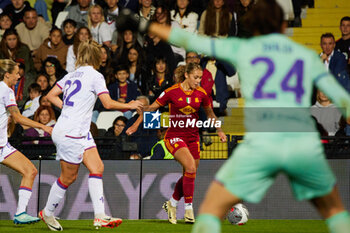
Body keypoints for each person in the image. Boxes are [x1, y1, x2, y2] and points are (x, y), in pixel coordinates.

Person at [116, 0, 350, 232]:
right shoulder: (304, 57)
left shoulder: (243, 50)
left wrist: (142, 24)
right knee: (333, 209)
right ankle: (185, 209)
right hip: (285, 138)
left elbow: (189, 41)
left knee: (206, 193)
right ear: (281, 27)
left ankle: (177, 205)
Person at [39, 39, 143, 231]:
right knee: (68, 178)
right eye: (101, 55)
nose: (104, 58)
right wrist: (130, 105)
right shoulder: (95, 76)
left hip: (74, 129)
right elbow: (108, 103)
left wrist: (68, 108)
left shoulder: (70, 75)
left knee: (97, 167)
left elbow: (50, 96)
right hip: (72, 133)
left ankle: (100, 216)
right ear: (96, 57)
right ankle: (47, 212)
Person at [126, 63, 227, 224]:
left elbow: (210, 113)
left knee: (190, 172)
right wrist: (136, 124)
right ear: (186, 75)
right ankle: (188, 209)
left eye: (200, 78)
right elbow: (151, 109)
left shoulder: (201, 93)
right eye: (196, 77)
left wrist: (220, 130)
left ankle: (171, 204)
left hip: (193, 137)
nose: (198, 81)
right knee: (191, 168)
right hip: (174, 136)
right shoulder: (171, 92)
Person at [0, 58, 52, 224]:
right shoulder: (7, 91)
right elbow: (18, 117)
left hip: (3, 146)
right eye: (16, 74)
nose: (19, 77)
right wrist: (42, 127)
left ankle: (21, 213)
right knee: (30, 171)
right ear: (7, 75)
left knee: (30, 171)